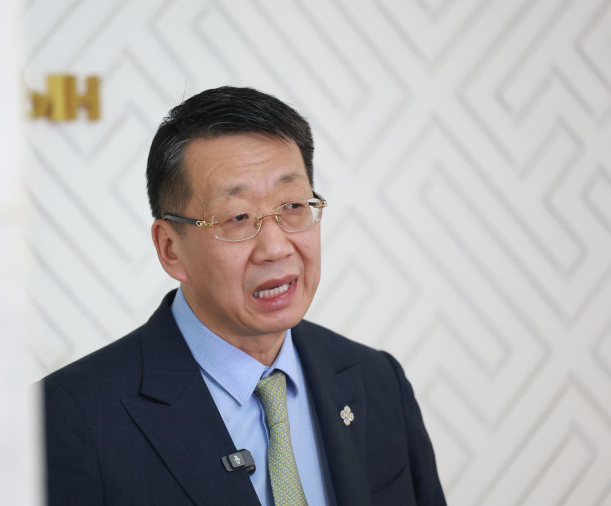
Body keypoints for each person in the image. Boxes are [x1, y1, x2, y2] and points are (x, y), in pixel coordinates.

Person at [41, 86, 447, 505]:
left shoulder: (378, 380)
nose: (276, 248)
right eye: (237, 217)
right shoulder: (70, 418)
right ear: (170, 248)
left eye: (293, 207)